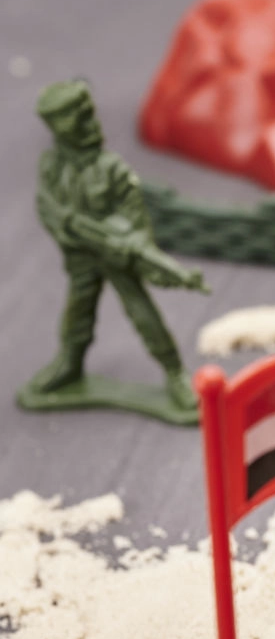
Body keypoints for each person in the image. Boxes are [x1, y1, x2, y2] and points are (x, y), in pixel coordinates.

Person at [24, 79, 205, 415]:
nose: (91, 127)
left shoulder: (113, 169)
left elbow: (136, 219)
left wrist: (132, 244)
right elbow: (46, 206)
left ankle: (175, 373)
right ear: (61, 130)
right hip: (81, 258)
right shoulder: (51, 166)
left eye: (90, 117)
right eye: (80, 122)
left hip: (117, 257)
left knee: (142, 313)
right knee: (77, 313)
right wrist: (69, 228)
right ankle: (69, 363)